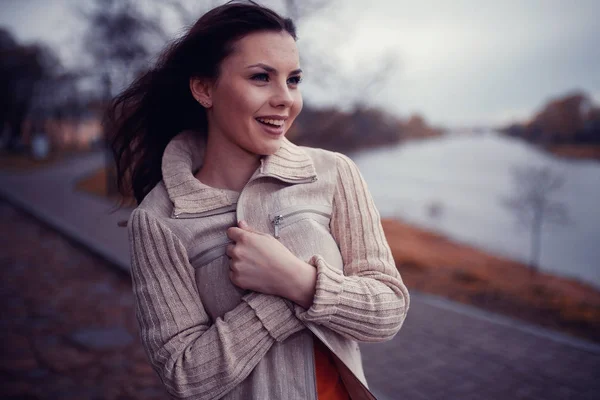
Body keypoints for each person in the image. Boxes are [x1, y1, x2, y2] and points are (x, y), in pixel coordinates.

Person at [108, 1, 410, 399]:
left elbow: (388, 310)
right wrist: (278, 300)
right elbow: (185, 374)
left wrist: (298, 281)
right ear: (204, 89)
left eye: (294, 79)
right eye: (261, 77)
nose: (286, 98)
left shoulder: (334, 173)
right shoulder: (159, 220)